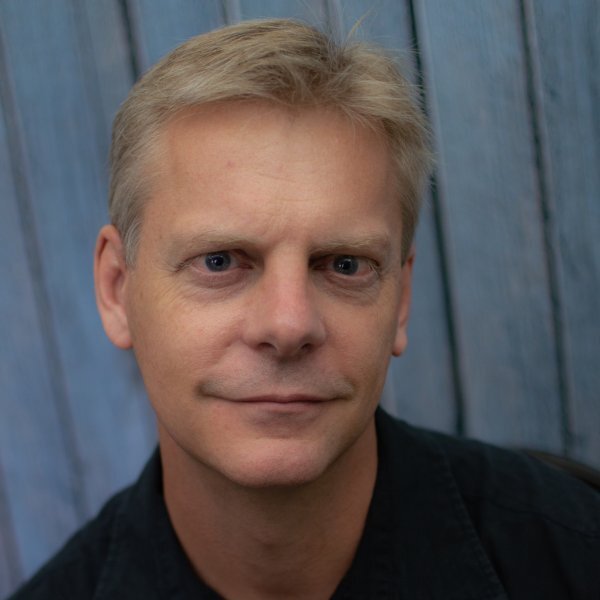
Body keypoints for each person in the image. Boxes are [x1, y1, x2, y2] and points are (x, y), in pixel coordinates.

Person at [9, 18, 599, 600]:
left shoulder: (576, 556)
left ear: (400, 299)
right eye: (219, 261)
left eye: (344, 264)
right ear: (117, 289)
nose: (289, 325)